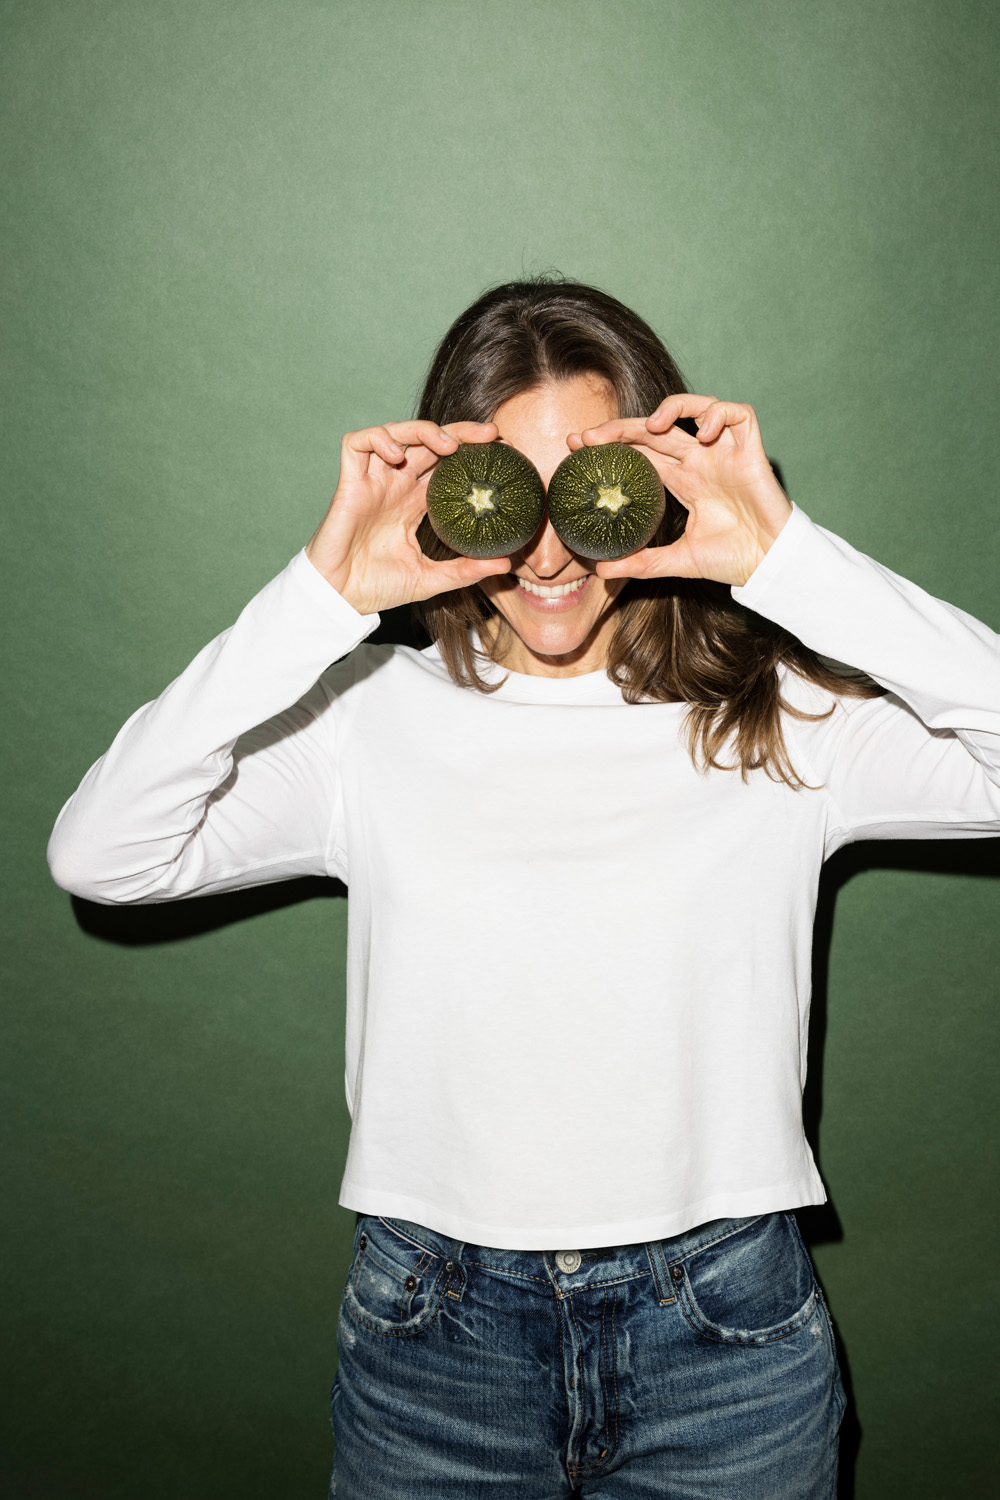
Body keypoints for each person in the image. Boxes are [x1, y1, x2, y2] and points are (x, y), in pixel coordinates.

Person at [47, 277, 1000, 1499]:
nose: (548, 547)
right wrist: (321, 596)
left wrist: (784, 559)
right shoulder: (366, 723)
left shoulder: (779, 720)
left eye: (585, 492)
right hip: (435, 1333)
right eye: (509, 493)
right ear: (449, 494)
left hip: (722, 1332)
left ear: (655, 479)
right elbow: (101, 854)